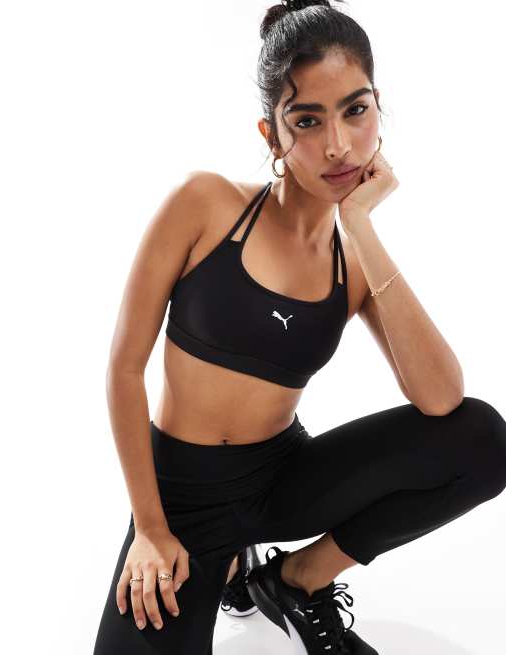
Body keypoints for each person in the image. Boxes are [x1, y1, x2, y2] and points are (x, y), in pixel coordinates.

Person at [92, 1, 506, 653]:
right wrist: (149, 527)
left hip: (281, 478)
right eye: (306, 120)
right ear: (271, 135)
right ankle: (228, 565)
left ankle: (294, 578)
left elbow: (442, 398)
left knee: (484, 439)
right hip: (181, 498)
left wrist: (360, 226)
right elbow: (123, 368)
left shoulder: (354, 261)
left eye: (354, 110)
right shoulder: (204, 206)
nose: (337, 144)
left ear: (378, 110)